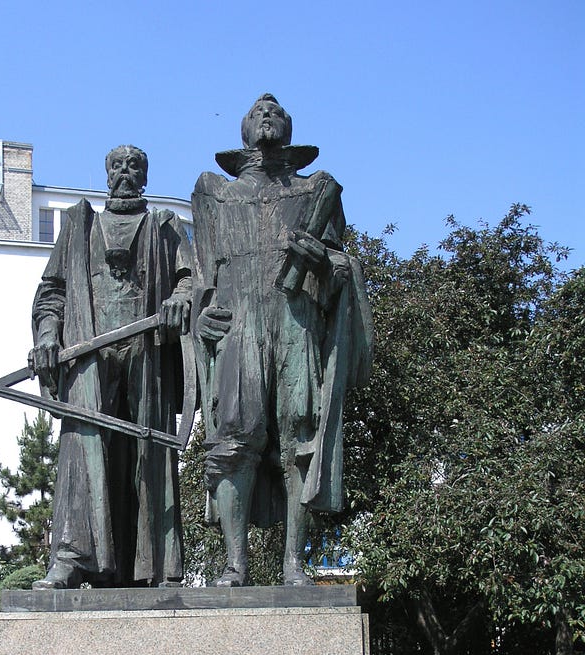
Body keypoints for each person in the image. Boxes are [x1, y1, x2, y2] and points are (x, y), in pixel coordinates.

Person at [192, 94, 373, 586]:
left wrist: (320, 260)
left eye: (275, 111)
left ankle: (294, 563)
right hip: (239, 326)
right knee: (232, 439)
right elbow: (199, 274)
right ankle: (236, 564)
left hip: (296, 324)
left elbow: (342, 270)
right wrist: (198, 316)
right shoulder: (213, 193)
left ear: (290, 130)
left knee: (301, 437)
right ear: (243, 131)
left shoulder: (318, 193)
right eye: (256, 112)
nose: (266, 113)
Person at [29, 145, 192, 588]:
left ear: (145, 175)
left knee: (148, 453)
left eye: (134, 166)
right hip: (88, 352)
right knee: (82, 450)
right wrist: (47, 338)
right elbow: (52, 293)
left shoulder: (163, 224)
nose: (125, 172)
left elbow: (190, 278)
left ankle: (157, 568)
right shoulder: (81, 226)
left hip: (147, 348)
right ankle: (70, 558)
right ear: (106, 174)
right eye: (116, 166)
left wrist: (180, 299)